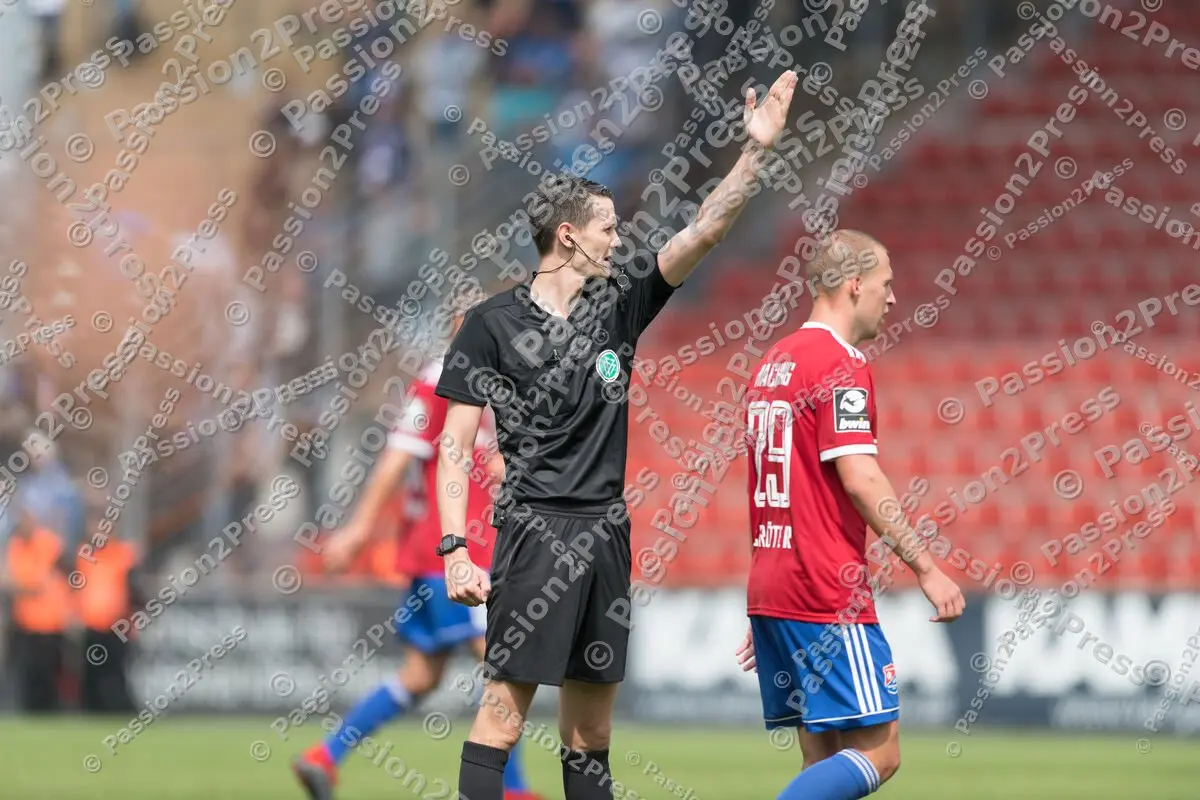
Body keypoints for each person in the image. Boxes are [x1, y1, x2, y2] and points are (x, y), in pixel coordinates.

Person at [432, 70, 799, 800]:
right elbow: (453, 444)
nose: (619, 234)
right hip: (533, 534)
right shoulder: (490, 324)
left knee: (592, 735)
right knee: (502, 719)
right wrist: (454, 550)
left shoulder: (620, 300)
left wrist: (753, 153)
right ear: (568, 234)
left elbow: (706, 229)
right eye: (607, 225)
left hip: (606, 533)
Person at [734, 230, 966, 799]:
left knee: (824, 757)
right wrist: (926, 567)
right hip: (824, 591)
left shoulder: (774, 361)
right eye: (886, 284)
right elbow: (860, 478)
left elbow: (782, 483)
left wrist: (776, 598)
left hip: (777, 586)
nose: (893, 299)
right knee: (879, 754)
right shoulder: (839, 363)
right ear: (855, 283)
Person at [291, 309, 544, 800]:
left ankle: (325, 756)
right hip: (450, 553)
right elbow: (397, 458)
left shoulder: (483, 387)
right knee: (501, 662)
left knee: (421, 675)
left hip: (441, 552)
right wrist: (360, 530)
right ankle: (512, 791)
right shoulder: (441, 383)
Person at [1, 505, 73, 713]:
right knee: (27, 674)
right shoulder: (15, 546)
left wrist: (22, 586)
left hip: (51, 622)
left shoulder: (49, 543)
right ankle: (30, 710)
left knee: (49, 673)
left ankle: (51, 710)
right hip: (25, 622)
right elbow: (10, 581)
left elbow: (44, 581)